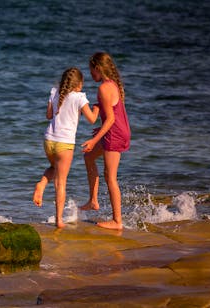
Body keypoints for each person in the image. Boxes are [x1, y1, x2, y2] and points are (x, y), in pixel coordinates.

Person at [33, 67, 99, 228]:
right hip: (65, 143)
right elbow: (92, 119)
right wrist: (97, 109)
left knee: (53, 168)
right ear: (79, 84)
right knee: (61, 182)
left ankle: (41, 184)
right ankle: (59, 220)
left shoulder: (55, 92)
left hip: (49, 140)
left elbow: (48, 116)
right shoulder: (79, 97)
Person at [80, 52, 131, 230]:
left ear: (98, 68)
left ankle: (117, 221)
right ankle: (93, 201)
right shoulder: (111, 84)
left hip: (114, 133)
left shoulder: (104, 88)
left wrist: (94, 140)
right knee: (88, 157)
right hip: (116, 130)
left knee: (111, 177)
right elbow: (109, 114)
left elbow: (110, 119)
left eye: (91, 70)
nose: (90, 74)